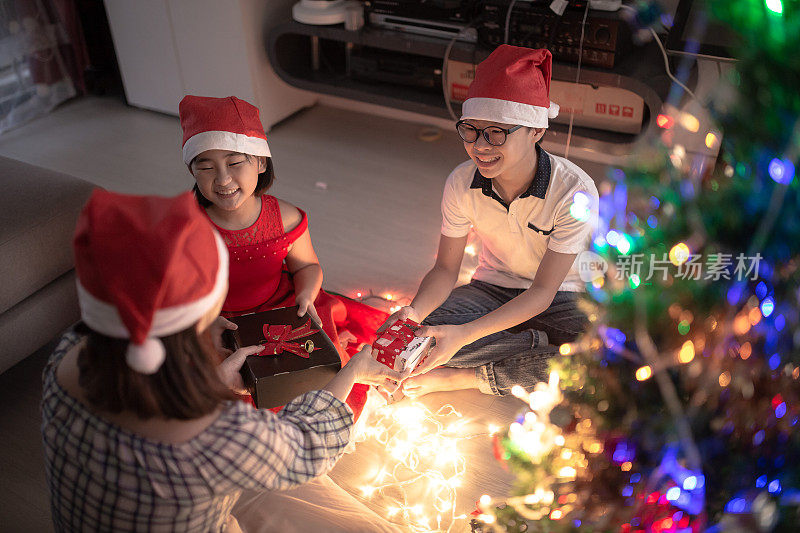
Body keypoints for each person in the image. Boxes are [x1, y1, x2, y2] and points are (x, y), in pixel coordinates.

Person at [41, 191, 404, 532]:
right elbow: (308, 445)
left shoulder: (68, 353)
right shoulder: (216, 436)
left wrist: (214, 381)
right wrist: (355, 369)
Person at [380, 45, 599, 398]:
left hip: (562, 295)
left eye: (496, 132)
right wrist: (413, 311)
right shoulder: (461, 182)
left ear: (536, 131)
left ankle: (467, 377)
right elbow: (445, 270)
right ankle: (533, 348)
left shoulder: (575, 192)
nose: (480, 146)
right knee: (418, 334)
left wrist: (465, 336)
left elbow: (542, 293)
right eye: (470, 129)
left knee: (609, 361)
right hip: (492, 289)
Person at [179, 95, 389, 416]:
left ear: (261, 162)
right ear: (193, 172)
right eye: (206, 167)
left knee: (314, 373)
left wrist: (306, 294)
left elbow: (306, 265)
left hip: (281, 311)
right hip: (218, 322)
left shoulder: (285, 218)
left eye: (235, 163)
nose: (222, 180)